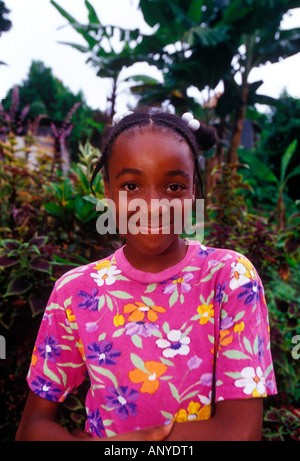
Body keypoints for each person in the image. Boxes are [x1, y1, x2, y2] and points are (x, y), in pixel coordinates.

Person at [16, 107, 277, 441]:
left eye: (173, 187)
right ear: (108, 193)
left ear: (194, 191)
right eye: (131, 185)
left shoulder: (229, 280)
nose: (153, 204)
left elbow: (240, 433)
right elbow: (32, 427)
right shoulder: (76, 293)